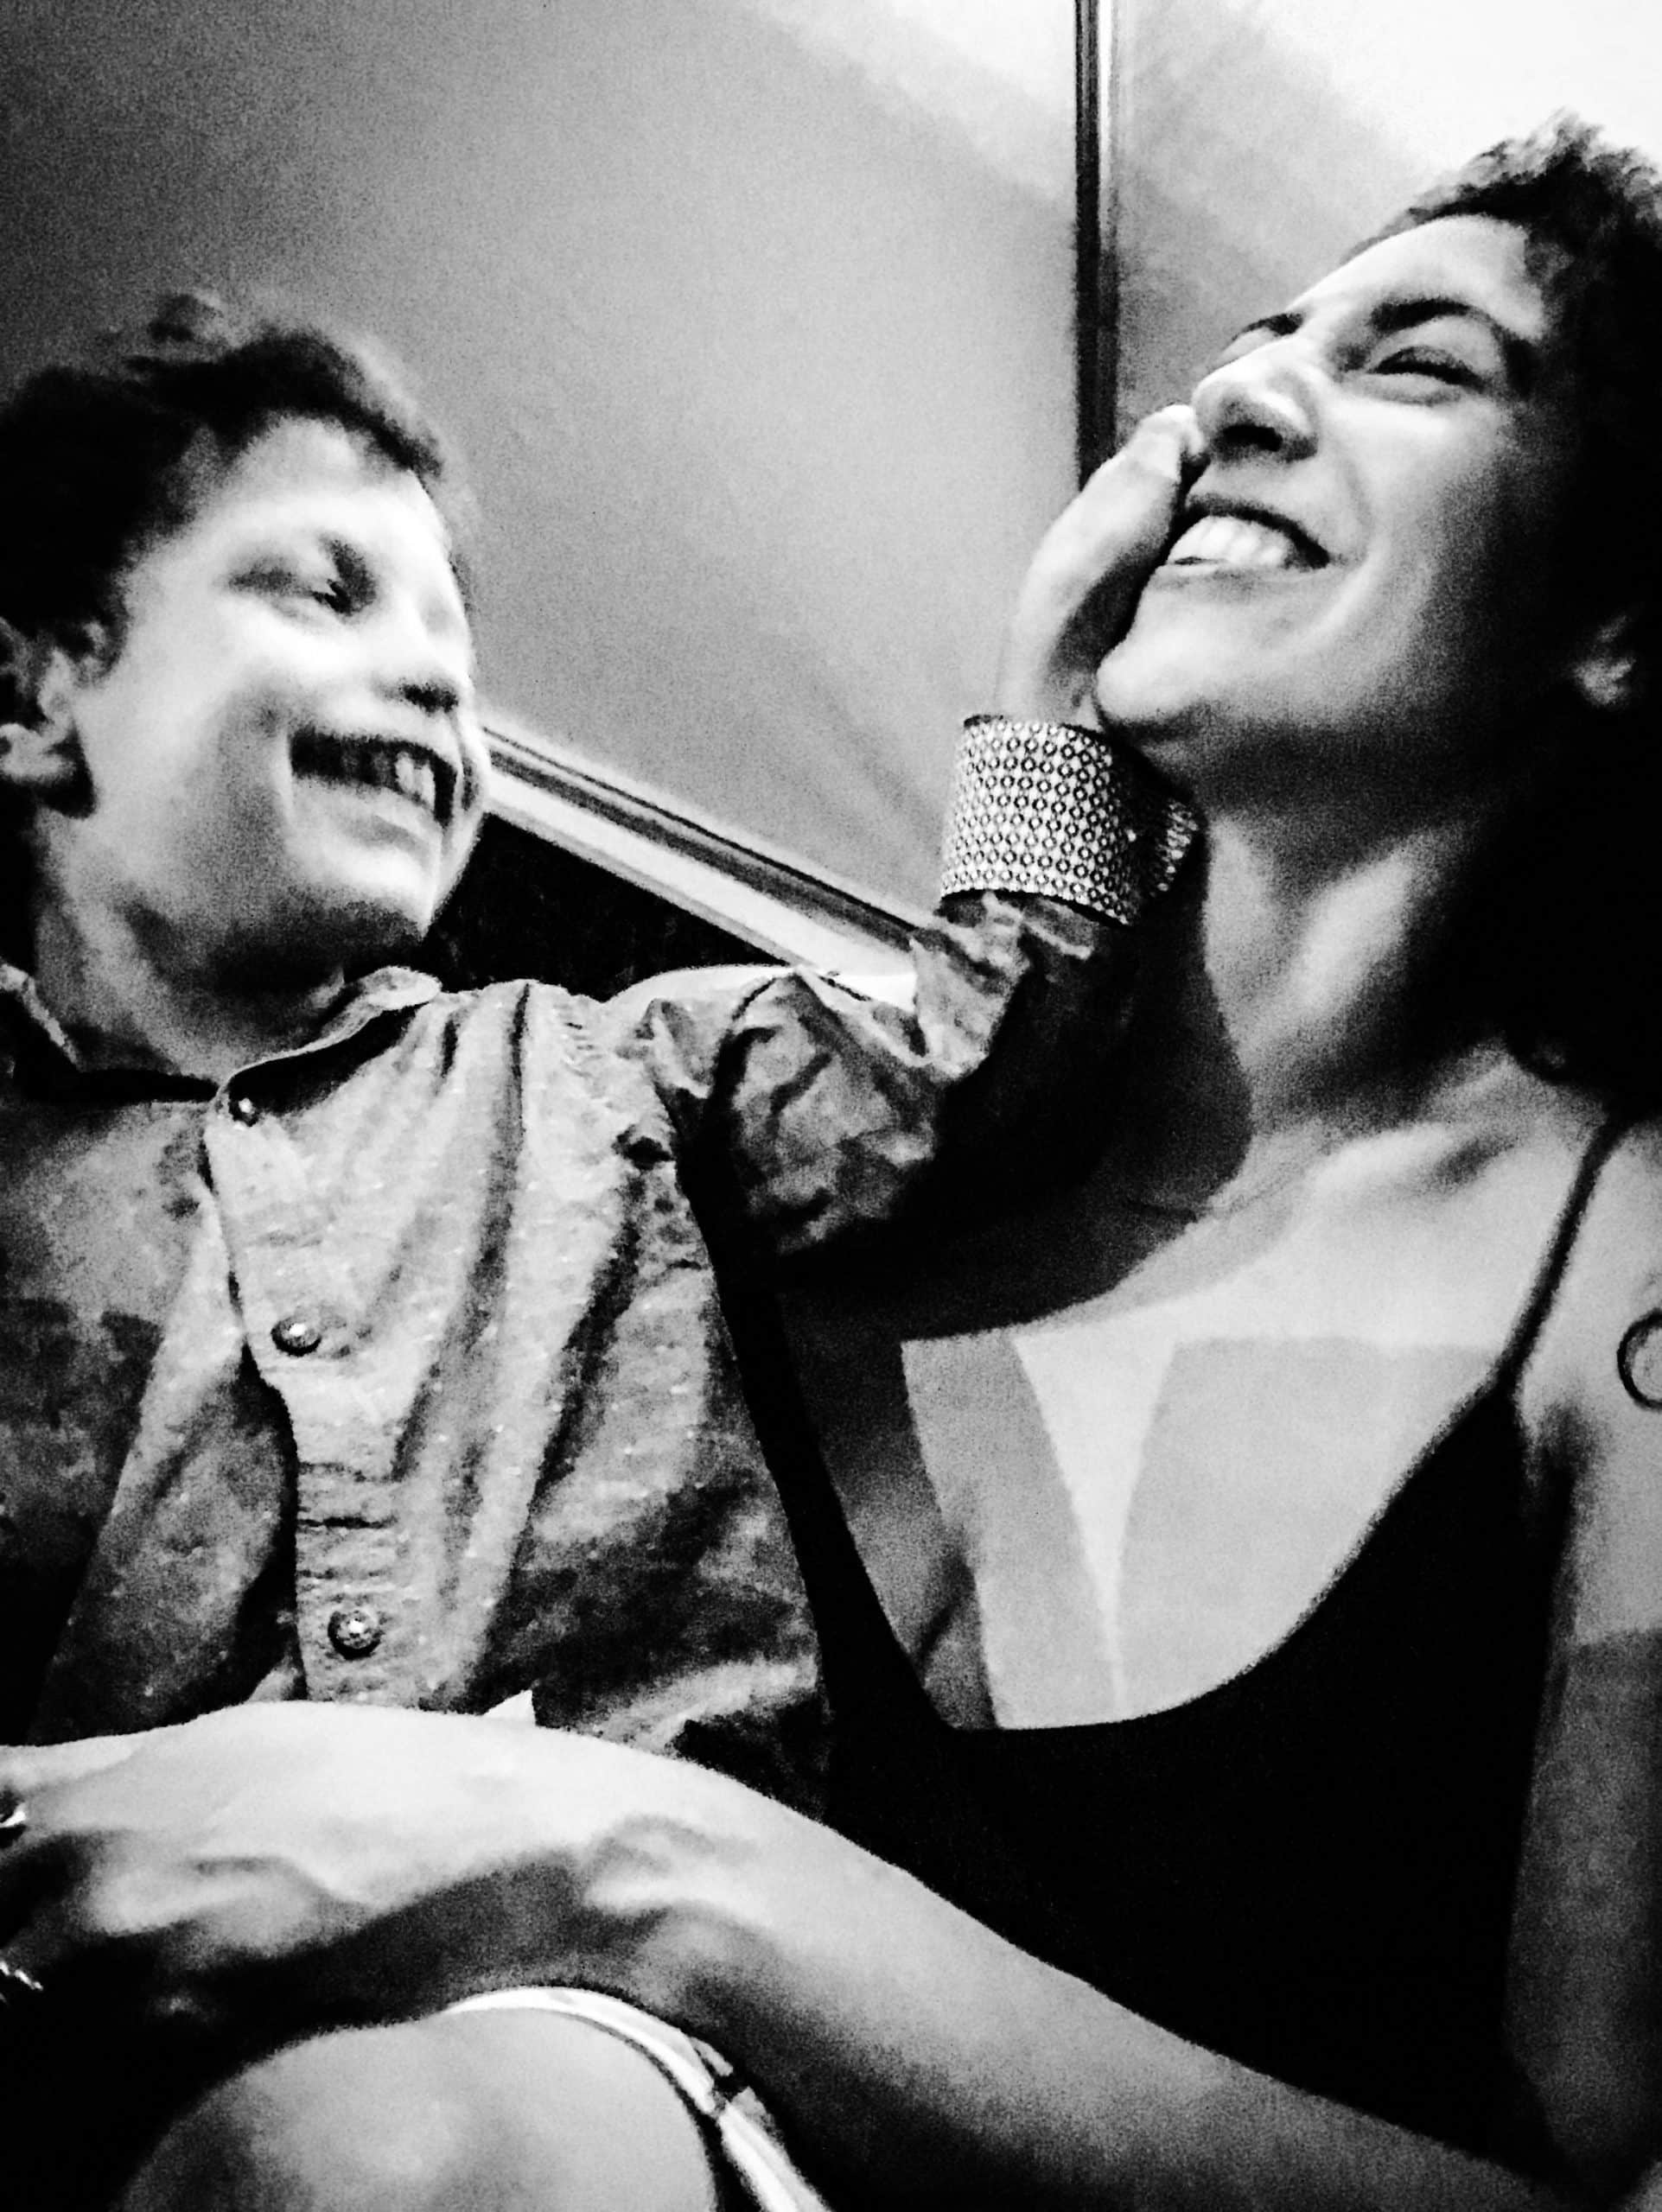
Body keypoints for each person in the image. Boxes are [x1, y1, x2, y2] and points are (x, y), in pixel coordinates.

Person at [6, 111, 1662, 2212]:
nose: (1238, 399)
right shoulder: (704, 1212)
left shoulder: (641, 1101)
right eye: (1251, 347)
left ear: (1624, 610)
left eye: (1412, 361)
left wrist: (624, 1859)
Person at [0, 294, 1189, 2208]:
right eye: (322, 590)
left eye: (454, 649)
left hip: (585, 2013)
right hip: (70, 2006)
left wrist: (1059, 669)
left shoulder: (619, 1071)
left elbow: (979, 1076)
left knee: (354, 2168)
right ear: (39, 696)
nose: (426, 678)